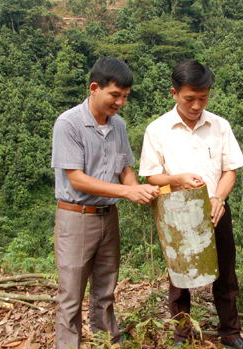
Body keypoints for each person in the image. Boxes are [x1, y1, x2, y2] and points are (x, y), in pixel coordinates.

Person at [139, 60, 243, 349]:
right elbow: (151, 175)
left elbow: (230, 170)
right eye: (189, 98)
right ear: (174, 93)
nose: (196, 105)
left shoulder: (219, 125)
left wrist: (219, 198)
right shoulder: (158, 130)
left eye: (203, 98)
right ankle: (183, 335)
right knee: (179, 277)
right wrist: (177, 179)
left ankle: (231, 334)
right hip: (177, 212)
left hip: (215, 210)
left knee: (226, 274)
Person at [51, 57, 159, 348]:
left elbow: (125, 169)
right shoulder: (69, 123)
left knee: (105, 291)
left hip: (108, 216)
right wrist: (126, 193)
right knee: (71, 295)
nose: (120, 102)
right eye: (115, 95)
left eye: (125, 96)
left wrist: (138, 189)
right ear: (94, 88)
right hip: (76, 217)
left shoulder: (118, 125)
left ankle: (107, 343)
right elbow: (77, 179)